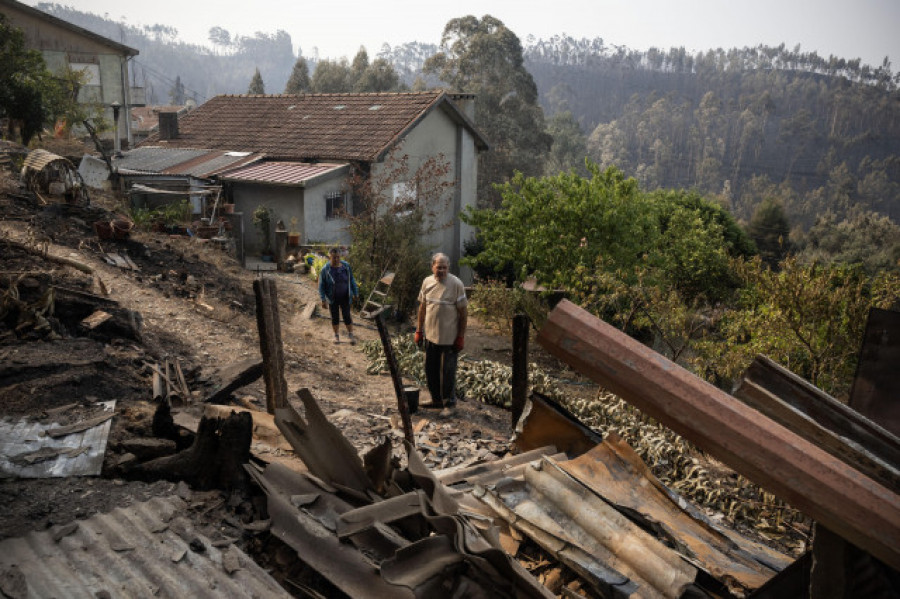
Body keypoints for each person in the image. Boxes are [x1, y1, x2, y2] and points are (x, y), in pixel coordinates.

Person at [415, 253, 467, 412]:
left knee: (448, 373)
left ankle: (449, 404)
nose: (442, 270)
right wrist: (419, 330)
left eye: (445, 267)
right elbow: (422, 308)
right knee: (430, 370)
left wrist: (460, 337)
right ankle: (436, 400)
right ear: (433, 267)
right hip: (430, 336)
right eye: (439, 267)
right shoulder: (427, 282)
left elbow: (463, 313)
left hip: (449, 338)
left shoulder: (456, 284)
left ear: (448, 268)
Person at [318, 247, 359, 344]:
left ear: (340, 256)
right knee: (335, 317)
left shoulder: (346, 267)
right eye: (333, 257)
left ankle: (350, 334)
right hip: (333, 298)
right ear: (329, 257)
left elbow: (351, 280)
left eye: (337, 257)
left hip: (345, 297)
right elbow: (321, 285)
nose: (336, 259)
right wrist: (323, 299)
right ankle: (336, 336)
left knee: (347, 316)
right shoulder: (325, 270)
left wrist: (355, 292)